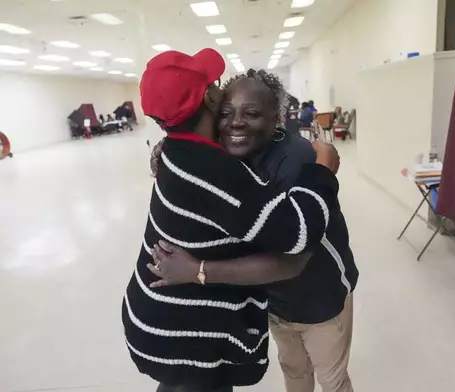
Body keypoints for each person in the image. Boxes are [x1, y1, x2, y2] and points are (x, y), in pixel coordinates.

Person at [123, 49, 342, 392]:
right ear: (211, 97)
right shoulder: (212, 169)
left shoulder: (179, 151)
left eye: (252, 113)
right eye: (217, 88)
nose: (237, 121)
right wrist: (323, 170)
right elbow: (298, 234)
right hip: (184, 332)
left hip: (164, 318)